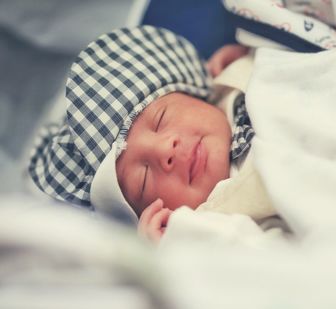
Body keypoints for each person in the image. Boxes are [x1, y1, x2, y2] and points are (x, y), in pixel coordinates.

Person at [28, 26, 275, 244]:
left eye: (160, 120)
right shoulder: (211, 223)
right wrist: (177, 247)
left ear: (191, 93)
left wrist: (250, 56)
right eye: (144, 179)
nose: (165, 150)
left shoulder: (235, 82)